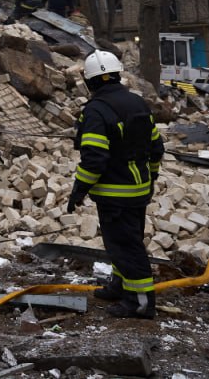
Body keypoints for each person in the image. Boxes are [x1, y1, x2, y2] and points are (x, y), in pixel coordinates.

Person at [67, 49, 163, 319]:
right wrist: (151, 177)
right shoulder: (137, 103)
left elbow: (95, 159)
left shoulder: (96, 111)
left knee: (125, 246)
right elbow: (156, 147)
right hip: (138, 190)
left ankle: (140, 303)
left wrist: (79, 190)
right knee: (123, 243)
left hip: (114, 194)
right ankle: (121, 286)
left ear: (90, 81)